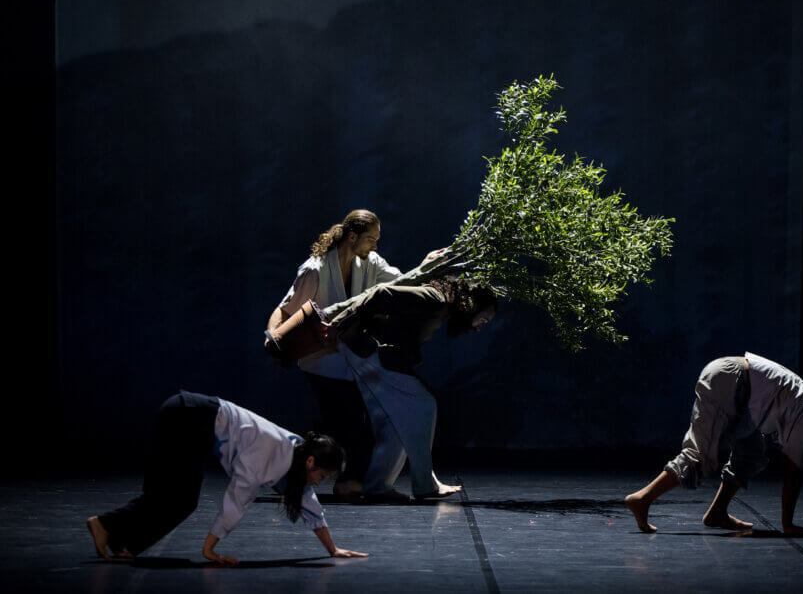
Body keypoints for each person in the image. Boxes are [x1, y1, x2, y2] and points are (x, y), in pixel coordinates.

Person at [267, 276, 498, 500]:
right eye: (484, 319)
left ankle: (378, 485)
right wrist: (340, 322)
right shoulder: (434, 298)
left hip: (371, 356)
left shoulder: (441, 306)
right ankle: (424, 484)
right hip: (373, 355)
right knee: (424, 406)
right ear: (472, 305)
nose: (481, 326)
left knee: (393, 424)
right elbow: (382, 293)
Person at [267, 210, 441, 500]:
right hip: (320, 360)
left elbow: (403, 282)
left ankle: (287, 476)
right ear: (352, 236)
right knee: (346, 426)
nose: (375, 245)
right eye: (371, 238)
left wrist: (427, 265)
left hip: (348, 360)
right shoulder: (315, 269)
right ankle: (343, 482)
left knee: (339, 427)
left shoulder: (370, 263)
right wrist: (272, 339)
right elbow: (286, 308)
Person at [86, 390, 368, 564]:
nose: (320, 482)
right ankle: (105, 525)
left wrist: (333, 549)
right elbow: (238, 498)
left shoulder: (293, 458)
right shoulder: (270, 453)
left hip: (190, 419)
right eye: (322, 475)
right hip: (186, 417)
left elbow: (310, 506)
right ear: (310, 462)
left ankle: (119, 540)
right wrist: (211, 549)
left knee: (171, 497)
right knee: (178, 498)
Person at [625, 352, 803, 535]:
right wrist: (788, 526)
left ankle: (717, 514)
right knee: (702, 456)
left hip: (744, 399)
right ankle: (642, 498)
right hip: (731, 381)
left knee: (751, 454)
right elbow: (793, 474)